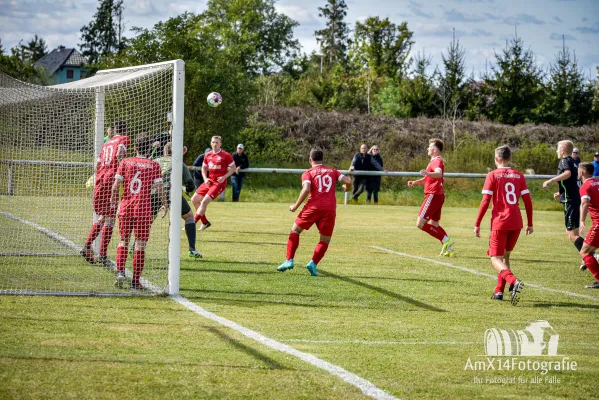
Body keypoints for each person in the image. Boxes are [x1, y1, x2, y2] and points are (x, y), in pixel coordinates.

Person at [277, 149, 352, 276]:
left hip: (313, 207)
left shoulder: (308, 173)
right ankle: (313, 263)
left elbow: (306, 189)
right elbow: (349, 181)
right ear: (322, 159)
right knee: (325, 239)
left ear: (310, 159)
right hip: (329, 209)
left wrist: (295, 205)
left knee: (295, 231)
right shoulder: (332, 171)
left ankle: (289, 260)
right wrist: (346, 189)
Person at [474, 145, 533, 305]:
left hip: (500, 222)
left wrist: (477, 222)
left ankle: (514, 282)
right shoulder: (519, 176)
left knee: (495, 258)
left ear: (496, 159)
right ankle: (499, 291)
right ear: (509, 158)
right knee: (505, 256)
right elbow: (527, 201)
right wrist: (530, 222)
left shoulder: (492, 175)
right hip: (516, 222)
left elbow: (485, 201)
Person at [111, 133, 168, 290]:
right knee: (140, 245)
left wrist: (113, 200)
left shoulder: (125, 162)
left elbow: (116, 185)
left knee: (123, 240)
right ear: (149, 148)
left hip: (126, 207)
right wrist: (165, 204)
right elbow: (159, 188)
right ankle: (136, 281)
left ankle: (120, 272)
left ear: (135, 147)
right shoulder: (154, 165)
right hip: (143, 209)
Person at [81, 120, 129, 265]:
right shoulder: (124, 139)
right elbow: (120, 154)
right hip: (111, 181)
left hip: (100, 180)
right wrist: (124, 170)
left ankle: (89, 248)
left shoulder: (107, 143)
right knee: (110, 219)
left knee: (104, 216)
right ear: (126, 131)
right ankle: (101, 253)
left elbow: (97, 164)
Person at [153, 143, 203, 258]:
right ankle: (192, 249)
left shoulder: (156, 160)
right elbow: (190, 184)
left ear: (165, 152)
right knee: (189, 216)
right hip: (170, 193)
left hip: (154, 192)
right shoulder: (179, 162)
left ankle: (134, 247)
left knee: (148, 220)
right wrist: (186, 189)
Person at [407, 138, 455, 256]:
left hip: (433, 195)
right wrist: (415, 182)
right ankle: (448, 249)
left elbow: (438, 173)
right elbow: (428, 179)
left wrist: (427, 173)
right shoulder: (434, 161)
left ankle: (446, 240)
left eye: (429, 147)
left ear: (434, 149)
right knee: (434, 225)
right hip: (437, 195)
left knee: (420, 224)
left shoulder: (436, 161)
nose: (427, 149)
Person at [542, 140, 583, 266]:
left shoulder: (564, 161)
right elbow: (571, 182)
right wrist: (561, 193)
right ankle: (587, 256)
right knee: (570, 233)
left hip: (571, 200)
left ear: (563, 149)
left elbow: (567, 174)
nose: (556, 151)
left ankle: (591, 255)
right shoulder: (574, 162)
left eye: (557, 148)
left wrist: (551, 181)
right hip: (573, 198)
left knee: (572, 234)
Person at [191, 136, 236, 231]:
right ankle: (205, 222)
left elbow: (233, 168)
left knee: (204, 202)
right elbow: (204, 168)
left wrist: (224, 177)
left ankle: (191, 224)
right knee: (194, 199)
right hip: (209, 181)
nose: (215, 144)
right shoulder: (207, 155)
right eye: (213, 142)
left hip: (219, 184)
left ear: (220, 144)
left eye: (217, 142)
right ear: (211, 143)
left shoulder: (226, 155)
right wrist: (205, 178)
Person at [578, 162, 599, 289]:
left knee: (585, 252)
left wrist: (581, 221)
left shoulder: (586, 186)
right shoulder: (597, 182)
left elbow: (585, 203)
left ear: (582, 172)